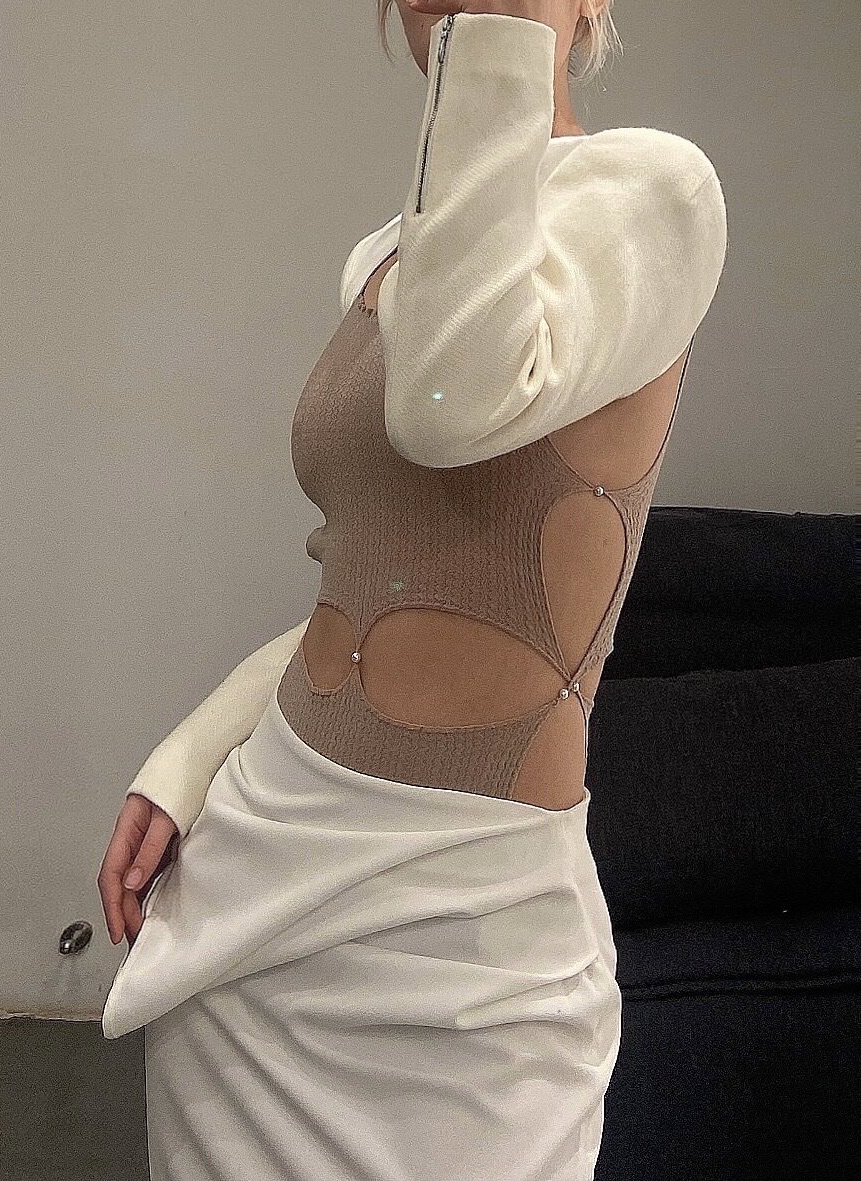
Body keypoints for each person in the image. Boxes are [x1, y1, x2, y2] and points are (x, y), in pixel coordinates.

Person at [97, 4, 728, 1179]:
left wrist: (501, 40)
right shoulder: (389, 258)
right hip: (255, 877)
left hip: (467, 930)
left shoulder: (651, 193)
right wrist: (186, 760)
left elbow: (452, 406)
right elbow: (357, 586)